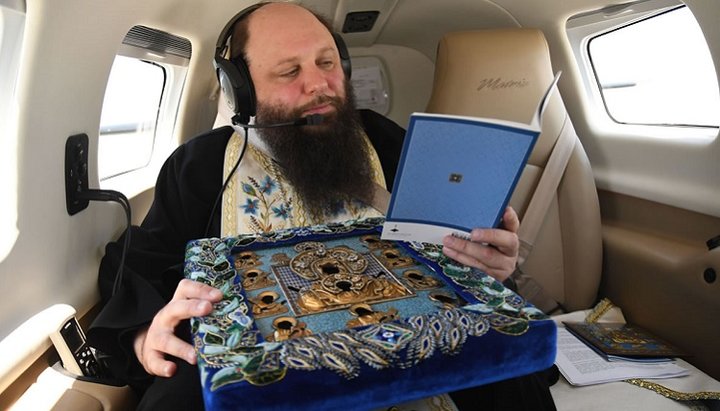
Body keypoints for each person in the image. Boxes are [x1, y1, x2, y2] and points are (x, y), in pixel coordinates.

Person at [88, 2, 555, 410]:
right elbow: (141, 262)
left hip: (412, 356)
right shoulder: (200, 166)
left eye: (327, 63)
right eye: (289, 72)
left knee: (516, 375)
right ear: (240, 89)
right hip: (268, 374)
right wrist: (145, 330)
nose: (319, 85)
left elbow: (453, 250)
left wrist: (491, 267)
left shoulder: (389, 141)